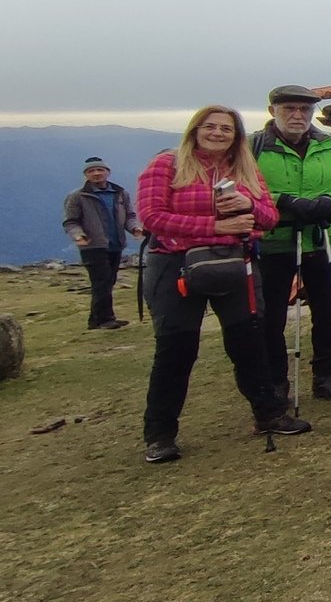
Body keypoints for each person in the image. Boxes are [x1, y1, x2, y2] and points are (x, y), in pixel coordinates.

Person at [136, 106, 307, 463]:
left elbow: (269, 217)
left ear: (236, 135)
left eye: (226, 129)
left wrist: (248, 205)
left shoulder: (244, 169)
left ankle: (269, 414)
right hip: (175, 264)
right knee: (177, 347)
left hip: (234, 263)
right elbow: (152, 217)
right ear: (195, 130)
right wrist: (216, 228)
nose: (217, 133)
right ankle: (160, 434)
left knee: (249, 340)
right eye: (210, 127)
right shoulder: (166, 165)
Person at [250, 84, 331, 402]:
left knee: (328, 310)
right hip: (273, 241)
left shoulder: (329, 146)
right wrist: (282, 201)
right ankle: (276, 381)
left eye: (304, 109)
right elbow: (241, 186)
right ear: (272, 111)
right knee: (271, 316)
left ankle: (326, 375)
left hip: (323, 236)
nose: (298, 115)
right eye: (289, 109)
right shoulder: (254, 146)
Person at [63, 156, 143, 330]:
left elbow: (129, 216)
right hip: (92, 246)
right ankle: (106, 319)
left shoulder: (120, 193)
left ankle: (95, 321)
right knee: (102, 282)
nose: (96, 173)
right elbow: (71, 221)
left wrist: (135, 228)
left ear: (108, 172)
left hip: (115, 244)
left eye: (100, 169)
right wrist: (78, 235)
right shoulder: (77, 196)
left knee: (109, 281)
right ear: (86, 175)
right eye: (91, 171)